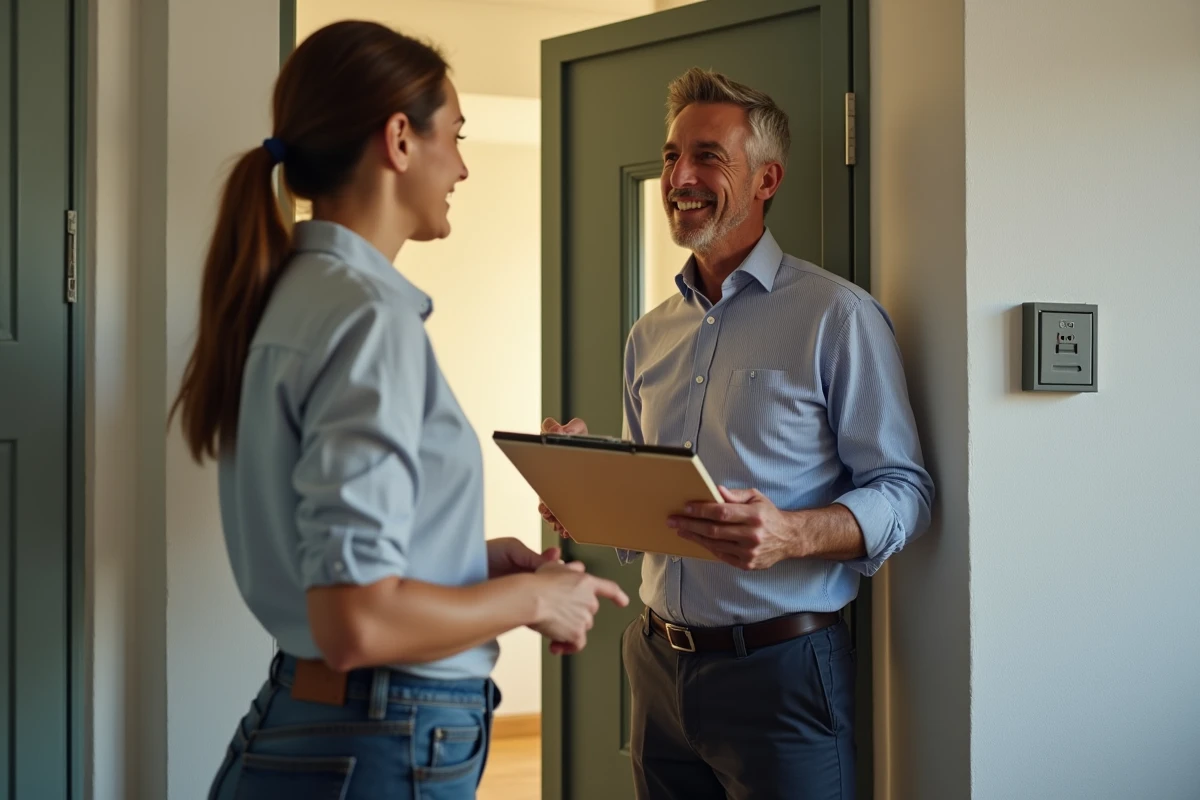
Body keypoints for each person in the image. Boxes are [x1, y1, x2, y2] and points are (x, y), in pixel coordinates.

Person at [170, 21, 628, 800]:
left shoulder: (290, 298)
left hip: (318, 718)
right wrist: (533, 597)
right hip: (381, 734)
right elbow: (357, 622)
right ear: (399, 140)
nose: (464, 166)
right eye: (455, 135)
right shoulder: (367, 321)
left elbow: (334, 568)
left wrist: (465, 563)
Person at [541, 68, 933, 799]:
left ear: (765, 179)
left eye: (707, 157)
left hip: (785, 672)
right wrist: (581, 488)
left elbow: (906, 493)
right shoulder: (649, 334)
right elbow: (643, 522)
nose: (679, 177)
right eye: (669, 156)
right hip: (656, 665)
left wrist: (794, 533)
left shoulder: (837, 317)